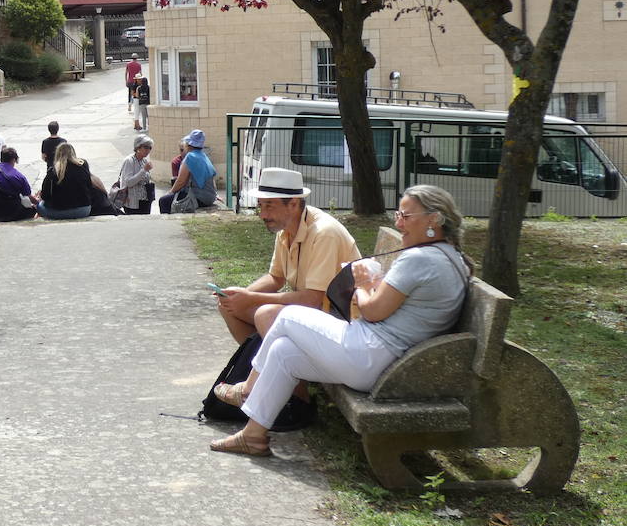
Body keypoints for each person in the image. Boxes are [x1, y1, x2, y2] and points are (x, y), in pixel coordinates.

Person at [208, 185, 472, 458]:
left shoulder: (419, 259)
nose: (399, 222)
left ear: (434, 219)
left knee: (286, 316)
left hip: (371, 356)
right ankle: (253, 437)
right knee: (283, 352)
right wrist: (373, 284)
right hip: (381, 358)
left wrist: (362, 283)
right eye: (398, 214)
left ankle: (248, 388)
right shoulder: (451, 257)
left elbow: (371, 311)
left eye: (406, 216)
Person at [215, 167, 361, 344]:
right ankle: (255, 365)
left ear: (293, 204)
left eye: (269, 206)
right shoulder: (286, 228)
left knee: (265, 314)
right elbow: (276, 278)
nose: (263, 214)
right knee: (229, 307)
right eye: (261, 205)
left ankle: (273, 368)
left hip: (339, 320)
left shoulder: (324, 233)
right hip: (313, 311)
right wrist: (238, 295)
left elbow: (313, 299)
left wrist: (250, 298)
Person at [160, 128, 217, 213]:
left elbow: (181, 181)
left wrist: (170, 192)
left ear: (188, 145)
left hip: (199, 197)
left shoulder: (190, 157)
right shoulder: (203, 155)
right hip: (210, 197)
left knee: (164, 201)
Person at [0, 146, 38, 222]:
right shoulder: (19, 177)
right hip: (11, 214)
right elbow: (28, 196)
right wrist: (38, 203)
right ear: (14, 160)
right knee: (32, 209)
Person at [38, 142, 95, 220]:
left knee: (39, 205)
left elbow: (45, 195)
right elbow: (89, 186)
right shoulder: (83, 166)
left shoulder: (53, 170)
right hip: (84, 210)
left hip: (61, 211)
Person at [114, 135, 156, 214]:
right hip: (133, 202)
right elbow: (129, 182)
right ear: (138, 147)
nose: (148, 150)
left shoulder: (144, 161)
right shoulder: (129, 161)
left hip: (145, 200)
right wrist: (144, 170)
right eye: (146, 147)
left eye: (150, 148)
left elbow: (146, 180)